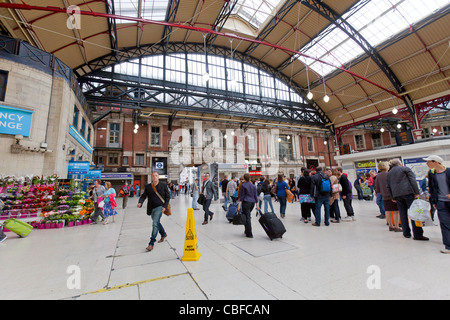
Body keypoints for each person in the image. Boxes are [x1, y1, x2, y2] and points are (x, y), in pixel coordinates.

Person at [386, 158, 428, 241]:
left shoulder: (389, 173)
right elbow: (413, 181)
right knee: (414, 212)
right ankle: (417, 234)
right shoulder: (405, 169)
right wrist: (416, 192)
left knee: (402, 213)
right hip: (408, 193)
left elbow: (388, 186)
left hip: (397, 195)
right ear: (400, 163)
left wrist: (392, 197)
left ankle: (406, 233)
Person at [137, 172, 170, 252]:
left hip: (160, 207)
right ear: (151, 177)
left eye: (156, 176)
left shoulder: (163, 185)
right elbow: (144, 196)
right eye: (153, 176)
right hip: (151, 208)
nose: (154, 177)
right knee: (157, 222)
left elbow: (167, 197)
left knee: (155, 224)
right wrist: (140, 202)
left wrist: (165, 207)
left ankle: (151, 243)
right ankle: (163, 234)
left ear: (158, 177)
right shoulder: (148, 187)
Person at [424, 155, 450, 254]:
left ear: (436, 162)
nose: (427, 164)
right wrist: (434, 202)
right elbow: (432, 188)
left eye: (429, 161)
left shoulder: (448, 172)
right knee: (444, 223)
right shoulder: (432, 174)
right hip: (441, 202)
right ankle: (448, 246)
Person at [375, 161, 401, 232]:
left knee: (388, 211)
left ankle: (390, 226)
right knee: (396, 211)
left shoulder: (378, 176)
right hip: (392, 195)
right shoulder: (389, 174)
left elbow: (377, 188)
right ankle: (396, 226)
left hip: (384, 196)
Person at [237, 173, 259, 238]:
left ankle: (249, 233)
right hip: (252, 203)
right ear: (249, 178)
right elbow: (255, 196)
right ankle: (247, 231)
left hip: (246, 202)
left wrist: (239, 205)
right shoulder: (253, 186)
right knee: (248, 216)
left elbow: (242, 196)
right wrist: (257, 205)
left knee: (247, 217)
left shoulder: (243, 185)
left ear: (244, 178)